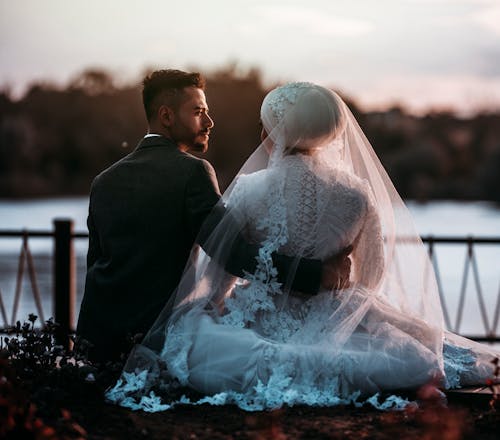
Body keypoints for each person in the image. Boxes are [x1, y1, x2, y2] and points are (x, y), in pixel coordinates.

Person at [106, 82, 499, 411]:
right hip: (333, 311)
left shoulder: (250, 188)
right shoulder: (357, 193)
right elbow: (372, 277)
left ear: (273, 132)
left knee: (198, 340)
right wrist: (337, 295)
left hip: (261, 314)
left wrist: (219, 302)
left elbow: (227, 268)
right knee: (407, 351)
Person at [76, 71, 350, 363]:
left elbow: (96, 263)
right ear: (166, 116)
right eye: (198, 112)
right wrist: (319, 274)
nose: (209, 122)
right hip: (151, 339)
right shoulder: (192, 172)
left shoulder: (103, 181)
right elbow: (233, 253)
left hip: (95, 339)